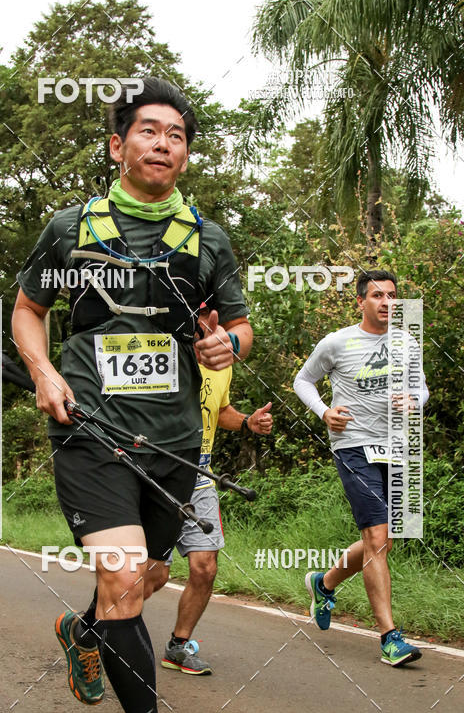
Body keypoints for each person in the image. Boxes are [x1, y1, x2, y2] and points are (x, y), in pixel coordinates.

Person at [12, 78, 252, 713]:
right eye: (148, 131)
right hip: (91, 431)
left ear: (185, 153)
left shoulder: (208, 240)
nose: (163, 144)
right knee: (122, 582)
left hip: (173, 443)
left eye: (176, 135)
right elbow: (27, 310)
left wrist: (224, 346)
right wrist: (45, 370)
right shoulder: (70, 230)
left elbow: (241, 327)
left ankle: (79, 631)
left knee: (143, 579)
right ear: (118, 145)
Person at [293, 270, 428, 667]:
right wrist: (324, 412)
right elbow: (303, 380)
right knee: (376, 536)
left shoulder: (407, 341)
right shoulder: (337, 342)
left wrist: (415, 402)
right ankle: (390, 637)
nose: (386, 302)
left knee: (383, 542)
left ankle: (324, 582)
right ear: (361, 302)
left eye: (392, 296)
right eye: (377, 296)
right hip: (354, 448)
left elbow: (421, 387)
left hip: (399, 447)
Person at [162, 311, 272, 674]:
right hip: (154, 471)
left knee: (205, 566)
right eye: (204, 319)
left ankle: (178, 645)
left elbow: (220, 409)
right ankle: (97, 627)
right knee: (151, 575)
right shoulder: (162, 354)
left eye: (219, 320)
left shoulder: (222, 365)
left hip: (199, 473)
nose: (215, 328)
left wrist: (246, 422)